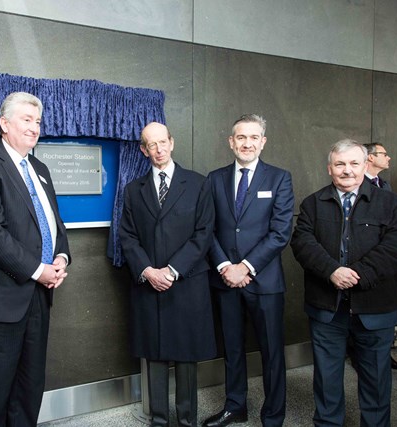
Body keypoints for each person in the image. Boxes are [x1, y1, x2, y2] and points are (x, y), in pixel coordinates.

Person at [0, 91, 70, 427]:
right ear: (4, 124)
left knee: (30, 383)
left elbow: (54, 222)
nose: (34, 127)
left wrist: (62, 257)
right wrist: (39, 270)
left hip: (39, 295)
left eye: (37, 121)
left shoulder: (39, 167)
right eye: (26, 119)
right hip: (3, 295)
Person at [291, 139, 397, 426]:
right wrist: (332, 270)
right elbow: (302, 243)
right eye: (340, 164)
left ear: (365, 165)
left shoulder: (391, 204)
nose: (347, 170)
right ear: (329, 168)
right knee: (326, 378)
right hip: (326, 309)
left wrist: (356, 274)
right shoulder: (312, 204)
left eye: (354, 163)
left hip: (375, 308)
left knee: (376, 379)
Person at [119, 122, 216, 427]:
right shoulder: (134, 189)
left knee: (187, 356)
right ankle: (159, 420)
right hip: (149, 283)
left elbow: (203, 234)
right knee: (155, 354)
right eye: (151, 144)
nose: (158, 150)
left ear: (172, 143)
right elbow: (128, 236)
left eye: (163, 142)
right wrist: (148, 271)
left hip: (186, 282)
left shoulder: (199, 184)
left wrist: (172, 271)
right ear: (143, 149)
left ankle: (187, 420)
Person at [204, 114, 294, 427]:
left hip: (264, 281)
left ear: (263, 142)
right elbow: (207, 230)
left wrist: (246, 266)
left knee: (272, 354)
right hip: (225, 279)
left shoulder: (279, 178)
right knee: (232, 349)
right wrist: (226, 266)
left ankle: (273, 416)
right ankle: (235, 407)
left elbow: (281, 232)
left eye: (253, 137)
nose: (247, 143)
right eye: (241, 137)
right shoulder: (214, 179)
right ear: (231, 142)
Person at [360, 142, 397, 371]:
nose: (389, 158)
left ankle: (384, 355)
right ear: (369, 158)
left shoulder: (385, 186)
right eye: (383, 153)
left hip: (385, 263)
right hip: (361, 262)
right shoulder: (355, 185)